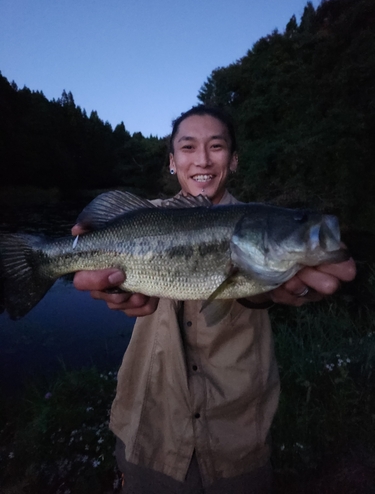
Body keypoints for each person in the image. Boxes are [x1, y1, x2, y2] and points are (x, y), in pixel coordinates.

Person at [72, 105, 356, 493]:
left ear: (233, 160)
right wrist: (101, 281)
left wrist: (267, 292)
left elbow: (259, 279)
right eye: (188, 147)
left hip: (237, 439)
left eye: (216, 146)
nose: (202, 159)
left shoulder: (253, 220)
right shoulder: (146, 216)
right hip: (151, 433)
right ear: (173, 162)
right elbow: (93, 254)